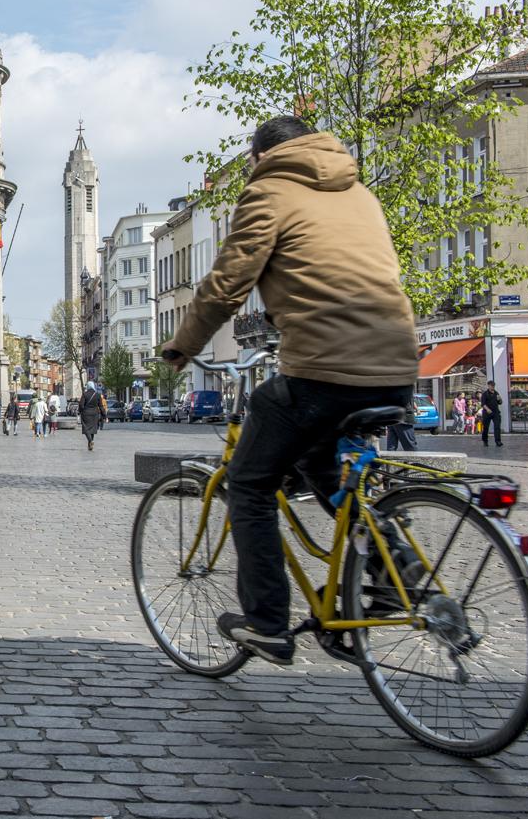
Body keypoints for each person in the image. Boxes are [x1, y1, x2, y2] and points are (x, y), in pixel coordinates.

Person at [160, 117, 417, 666]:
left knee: (249, 483)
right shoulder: (360, 193)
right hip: (396, 365)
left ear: (260, 156)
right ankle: (395, 562)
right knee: (323, 462)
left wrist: (183, 345)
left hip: (325, 368)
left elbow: (230, 281)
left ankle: (267, 623)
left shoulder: (269, 191)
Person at [80, 381, 106, 451]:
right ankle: (90, 445)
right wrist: (104, 415)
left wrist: (80, 411)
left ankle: (90, 441)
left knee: (86, 428)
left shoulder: (85, 394)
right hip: (95, 414)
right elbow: (101, 406)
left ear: (88, 386)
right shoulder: (98, 395)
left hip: (86, 414)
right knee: (92, 429)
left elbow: (81, 405)